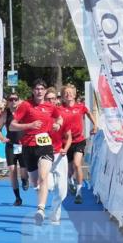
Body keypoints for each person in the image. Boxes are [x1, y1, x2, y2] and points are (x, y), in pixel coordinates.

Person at [9, 80, 62, 225]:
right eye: (36, 89)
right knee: (35, 182)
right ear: (33, 91)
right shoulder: (25, 105)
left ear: (45, 91)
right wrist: (30, 125)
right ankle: (38, 192)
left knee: (43, 177)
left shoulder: (50, 106)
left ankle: (41, 209)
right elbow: (12, 126)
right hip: (28, 146)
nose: (39, 91)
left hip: (45, 145)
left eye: (42, 89)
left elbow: (59, 117)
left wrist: (58, 124)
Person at [58, 84, 96, 204]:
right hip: (65, 143)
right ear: (63, 96)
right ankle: (70, 182)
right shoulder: (59, 109)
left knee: (77, 164)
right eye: (66, 93)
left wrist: (95, 125)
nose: (68, 95)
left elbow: (89, 114)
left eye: (70, 93)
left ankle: (79, 192)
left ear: (74, 95)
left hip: (79, 140)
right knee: (69, 171)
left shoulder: (81, 107)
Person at [44, 88, 73, 224]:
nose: (50, 101)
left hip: (60, 156)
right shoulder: (40, 115)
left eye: (53, 99)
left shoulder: (61, 117)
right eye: (48, 99)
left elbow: (69, 137)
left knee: (62, 192)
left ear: (57, 100)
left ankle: (54, 215)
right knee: (48, 186)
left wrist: (65, 149)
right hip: (44, 156)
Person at [0, 92, 28, 205]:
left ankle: (25, 179)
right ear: (8, 101)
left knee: (23, 171)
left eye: (16, 99)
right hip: (11, 145)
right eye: (11, 99)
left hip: (23, 145)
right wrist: (2, 137)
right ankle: (18, 198)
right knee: (12, 170)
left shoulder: (24, 112)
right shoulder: (5, 114)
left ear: (19, 100)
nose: (13, 101)